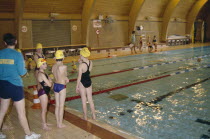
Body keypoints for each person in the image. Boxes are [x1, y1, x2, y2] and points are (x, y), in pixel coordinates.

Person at [0, 33, 41, 139]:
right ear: (16, 42)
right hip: (15, 85)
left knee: (2, 111)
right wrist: (25, 65)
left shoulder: (0, 53)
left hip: (3, 84)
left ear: (5, 43)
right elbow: (22, 73)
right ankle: (28, 134)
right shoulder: (17, 54)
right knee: (21, 113)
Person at [76, 47, 96, 120]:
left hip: (82, 83)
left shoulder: (81, 65)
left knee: (83, 100)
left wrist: (77, 86)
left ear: (82, 55)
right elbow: (88, 71)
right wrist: (81, 62)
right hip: (88, 81)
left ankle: (85, 116)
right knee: (90, 100)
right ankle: (94, 115)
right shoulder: (91, 62)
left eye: (80, 55)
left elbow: (79, 77)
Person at [52, 50, 69, 128]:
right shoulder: (64, 67)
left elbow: (56, 74)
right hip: (62, 87)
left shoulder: (53, 66)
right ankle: (60, 124)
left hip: (55, 85)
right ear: (63, 58)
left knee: (57, 106)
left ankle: (57, 122)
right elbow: (65, 76)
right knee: (61, 106)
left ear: (55, 58)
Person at [37, 58, 52, 130]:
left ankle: (45, 122)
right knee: (44, 110)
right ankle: (44, 125)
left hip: (44, 92)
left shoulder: (44, 73)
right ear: (40, 65)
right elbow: (50, 84)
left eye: (45, 63)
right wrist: (49, 82)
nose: (46, 65)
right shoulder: (41, 74)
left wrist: (49, 82)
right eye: (43, 64)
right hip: (43, 93)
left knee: (45, 109)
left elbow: (50, 82)